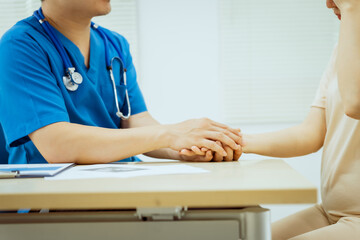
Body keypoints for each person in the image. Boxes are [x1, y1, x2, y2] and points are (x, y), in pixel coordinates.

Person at [184, 0, 360, 238]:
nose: (329, 3)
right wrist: (232, 142)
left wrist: (352, 8)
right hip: (330, 211)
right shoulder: (345, 47)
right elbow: (311, 133)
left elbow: (355, 103)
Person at [0, 0, 242, 165]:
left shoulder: (113, 44)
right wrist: (170, 134)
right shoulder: (20, 45)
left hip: (119, 180)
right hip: (53, 198)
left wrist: (183, 150)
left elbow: (135, 120)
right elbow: (56, 144)